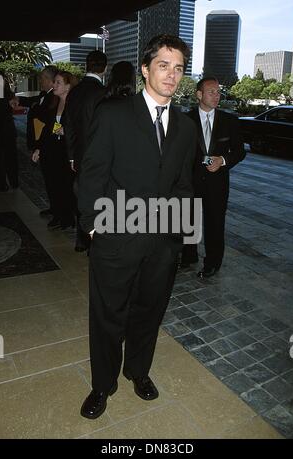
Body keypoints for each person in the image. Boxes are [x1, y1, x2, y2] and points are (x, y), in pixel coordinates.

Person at [78, 34, 197, 419]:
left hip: (163, 243)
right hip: (115, 236)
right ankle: (102, 385)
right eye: (164, 65)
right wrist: (94, 226)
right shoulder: (114, 113)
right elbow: (92, 173)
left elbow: (183, 184)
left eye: (178, 67)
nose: (172, 74)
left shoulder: (185, 126)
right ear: (145, 68)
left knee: (149, 312)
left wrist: (181, 236)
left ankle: (138, 371)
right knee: (108, 314)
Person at [181, 77, 245, 278]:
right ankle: (188, 255)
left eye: (218, 92)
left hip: (217, 183)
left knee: (215, 223)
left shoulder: (230, 121)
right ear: (199, 95)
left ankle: (213, 262)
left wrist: (223, 160)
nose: (217, 96)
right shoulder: (185, 121)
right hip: (190, 181)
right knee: (188, 220)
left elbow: (239, 151)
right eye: (211, 92)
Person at [65, 50, 107, 252]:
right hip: (99, 155)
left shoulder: (74, 91)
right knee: (98, 198)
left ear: (87, 66)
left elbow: (69, 124)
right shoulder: (103, 93)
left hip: (80, 155)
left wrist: (72, 156)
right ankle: (94, 242)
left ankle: (81, 240)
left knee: (80, 196)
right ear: (104, 68)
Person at [11, 65, 59, 216]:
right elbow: (34, 100)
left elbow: (44, 114)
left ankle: (60, 212)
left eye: (43, 78)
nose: (40, 81)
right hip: (43, 143)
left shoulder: (54, 97)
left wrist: (34, 107)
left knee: (54, 178)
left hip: (48, 144)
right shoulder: (45, 94)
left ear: (52, 81)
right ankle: (55, 208)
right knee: (49, 178)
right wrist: (20, 100)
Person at [32, 71, 77, 230]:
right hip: (52, 150)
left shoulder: (75, 105)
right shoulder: (53, 102)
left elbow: (82, 128)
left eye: (58, 83)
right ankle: (58, 215)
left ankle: (67, 217)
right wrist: (39, 148)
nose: (54, 85)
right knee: (53, 184)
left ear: (67, 86)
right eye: (54, 82)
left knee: (66, 186)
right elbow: (46, 129)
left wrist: (67, 131)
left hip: (66, 152)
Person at [0, 71, 18, 191]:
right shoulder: (8, 94)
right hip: (8, 130)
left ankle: (5, 183)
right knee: (9, 158)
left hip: (6, 130)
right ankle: (11, 182)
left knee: (6, 158)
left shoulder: (7, 94)